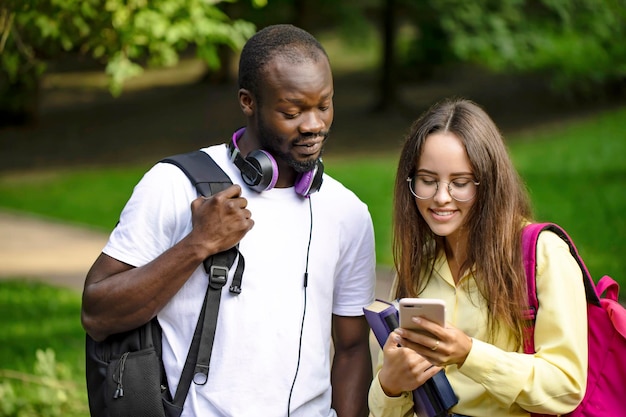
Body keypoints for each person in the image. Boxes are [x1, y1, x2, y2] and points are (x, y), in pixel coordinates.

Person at [81, 24, 376, 417]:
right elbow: (97, 313)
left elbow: (352, 348)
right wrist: (197, 244)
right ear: (248, 102)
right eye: (291, 111)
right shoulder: (174, 185)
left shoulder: (347, 212)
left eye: (324, 105)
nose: (313, 125)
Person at [368, 98, 588, 416]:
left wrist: (469, 354)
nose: (441, 197)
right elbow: (383, 410)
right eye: (428, 181)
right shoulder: (419, 265)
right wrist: (390, 384)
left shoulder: (544, 254)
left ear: (488, 183)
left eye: (460, 183)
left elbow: (567, 387)